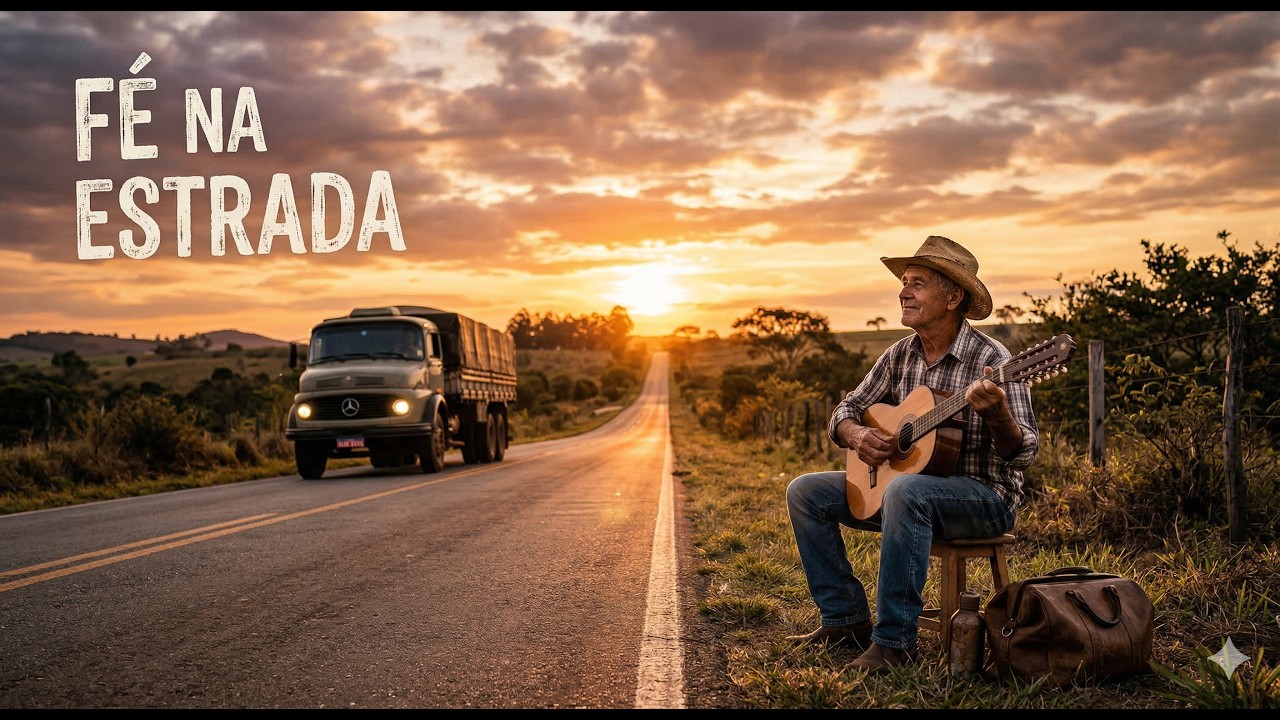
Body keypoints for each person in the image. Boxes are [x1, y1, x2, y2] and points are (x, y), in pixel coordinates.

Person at [784, 235, 1039, 673]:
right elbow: (845, 410)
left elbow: (1024, 454)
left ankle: (894, 644)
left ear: (953, 297)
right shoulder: (900, 355)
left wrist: (997, 415)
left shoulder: (993, 361)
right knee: (805, 492)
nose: (904, 292)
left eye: (918, 283)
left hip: (985, 498)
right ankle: (845, 620)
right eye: (904, 282)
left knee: (905, 491)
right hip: (907, 493)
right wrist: (857, 434)